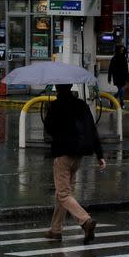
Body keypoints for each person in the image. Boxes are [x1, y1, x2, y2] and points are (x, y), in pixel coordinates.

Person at [43, 83, 107, 244]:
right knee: (63, 193)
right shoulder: (81, 105)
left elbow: (49, 129)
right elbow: (92, 130)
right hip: (78, 155)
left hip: (63, 154)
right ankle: (55, 230)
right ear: (71, 87)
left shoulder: (56, 106)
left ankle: (85, 221)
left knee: (63, 194)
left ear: (57, 88)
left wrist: (49, 110)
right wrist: (99, 154)